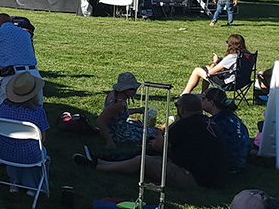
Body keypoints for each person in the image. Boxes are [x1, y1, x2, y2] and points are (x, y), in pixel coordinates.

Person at [91, 95, 228, 190]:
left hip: (196, 179)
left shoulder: (186, 124)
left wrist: (159, 134)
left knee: (143, 160)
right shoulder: (207, 121)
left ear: (181, 110)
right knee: (155, 158)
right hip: (215, 177)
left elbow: (159, 146)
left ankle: (103, 167)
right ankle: (104, 162)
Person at [0, 72, 49, 189]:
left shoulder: (3, 107)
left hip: (3, 152)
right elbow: (42, 139)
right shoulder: (38, 112)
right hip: (29, 155)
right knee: (39, 153)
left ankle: (14, 182)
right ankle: (33, 187)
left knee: (16, 148)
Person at [95, 72, 161, 156]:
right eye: (131, 89)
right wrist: (110, 142)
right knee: (154, 132)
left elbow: (117, 114)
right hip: (119, 134)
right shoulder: (118, 104)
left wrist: (137, 110)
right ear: (123, 89)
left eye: (135, 88)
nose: (135, 91)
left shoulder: (113, 94)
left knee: (140, 125)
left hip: (117, 128)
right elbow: (100, 120)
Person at [0, 12, 40, 101]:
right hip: (34, 74)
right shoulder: (25, 33)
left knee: (4, 107)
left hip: (12, 75)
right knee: (36, 106)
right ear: (12, 22)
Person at [201, 87, 250, 175]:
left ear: (211, 103)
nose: (200, 101)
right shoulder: (232, 117)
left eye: (203, 99)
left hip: (227, 166)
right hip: (240, 162)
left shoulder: (215, 123)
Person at [182, 33, 249, 96]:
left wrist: (215, 61)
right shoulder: (246, 55)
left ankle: (184, 94)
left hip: (228, 84)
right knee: (207, 67)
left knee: (197, 71)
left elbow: (210, 73)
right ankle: (202, 93)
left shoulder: (232, 57)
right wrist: (222, 61)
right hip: (242, 81)